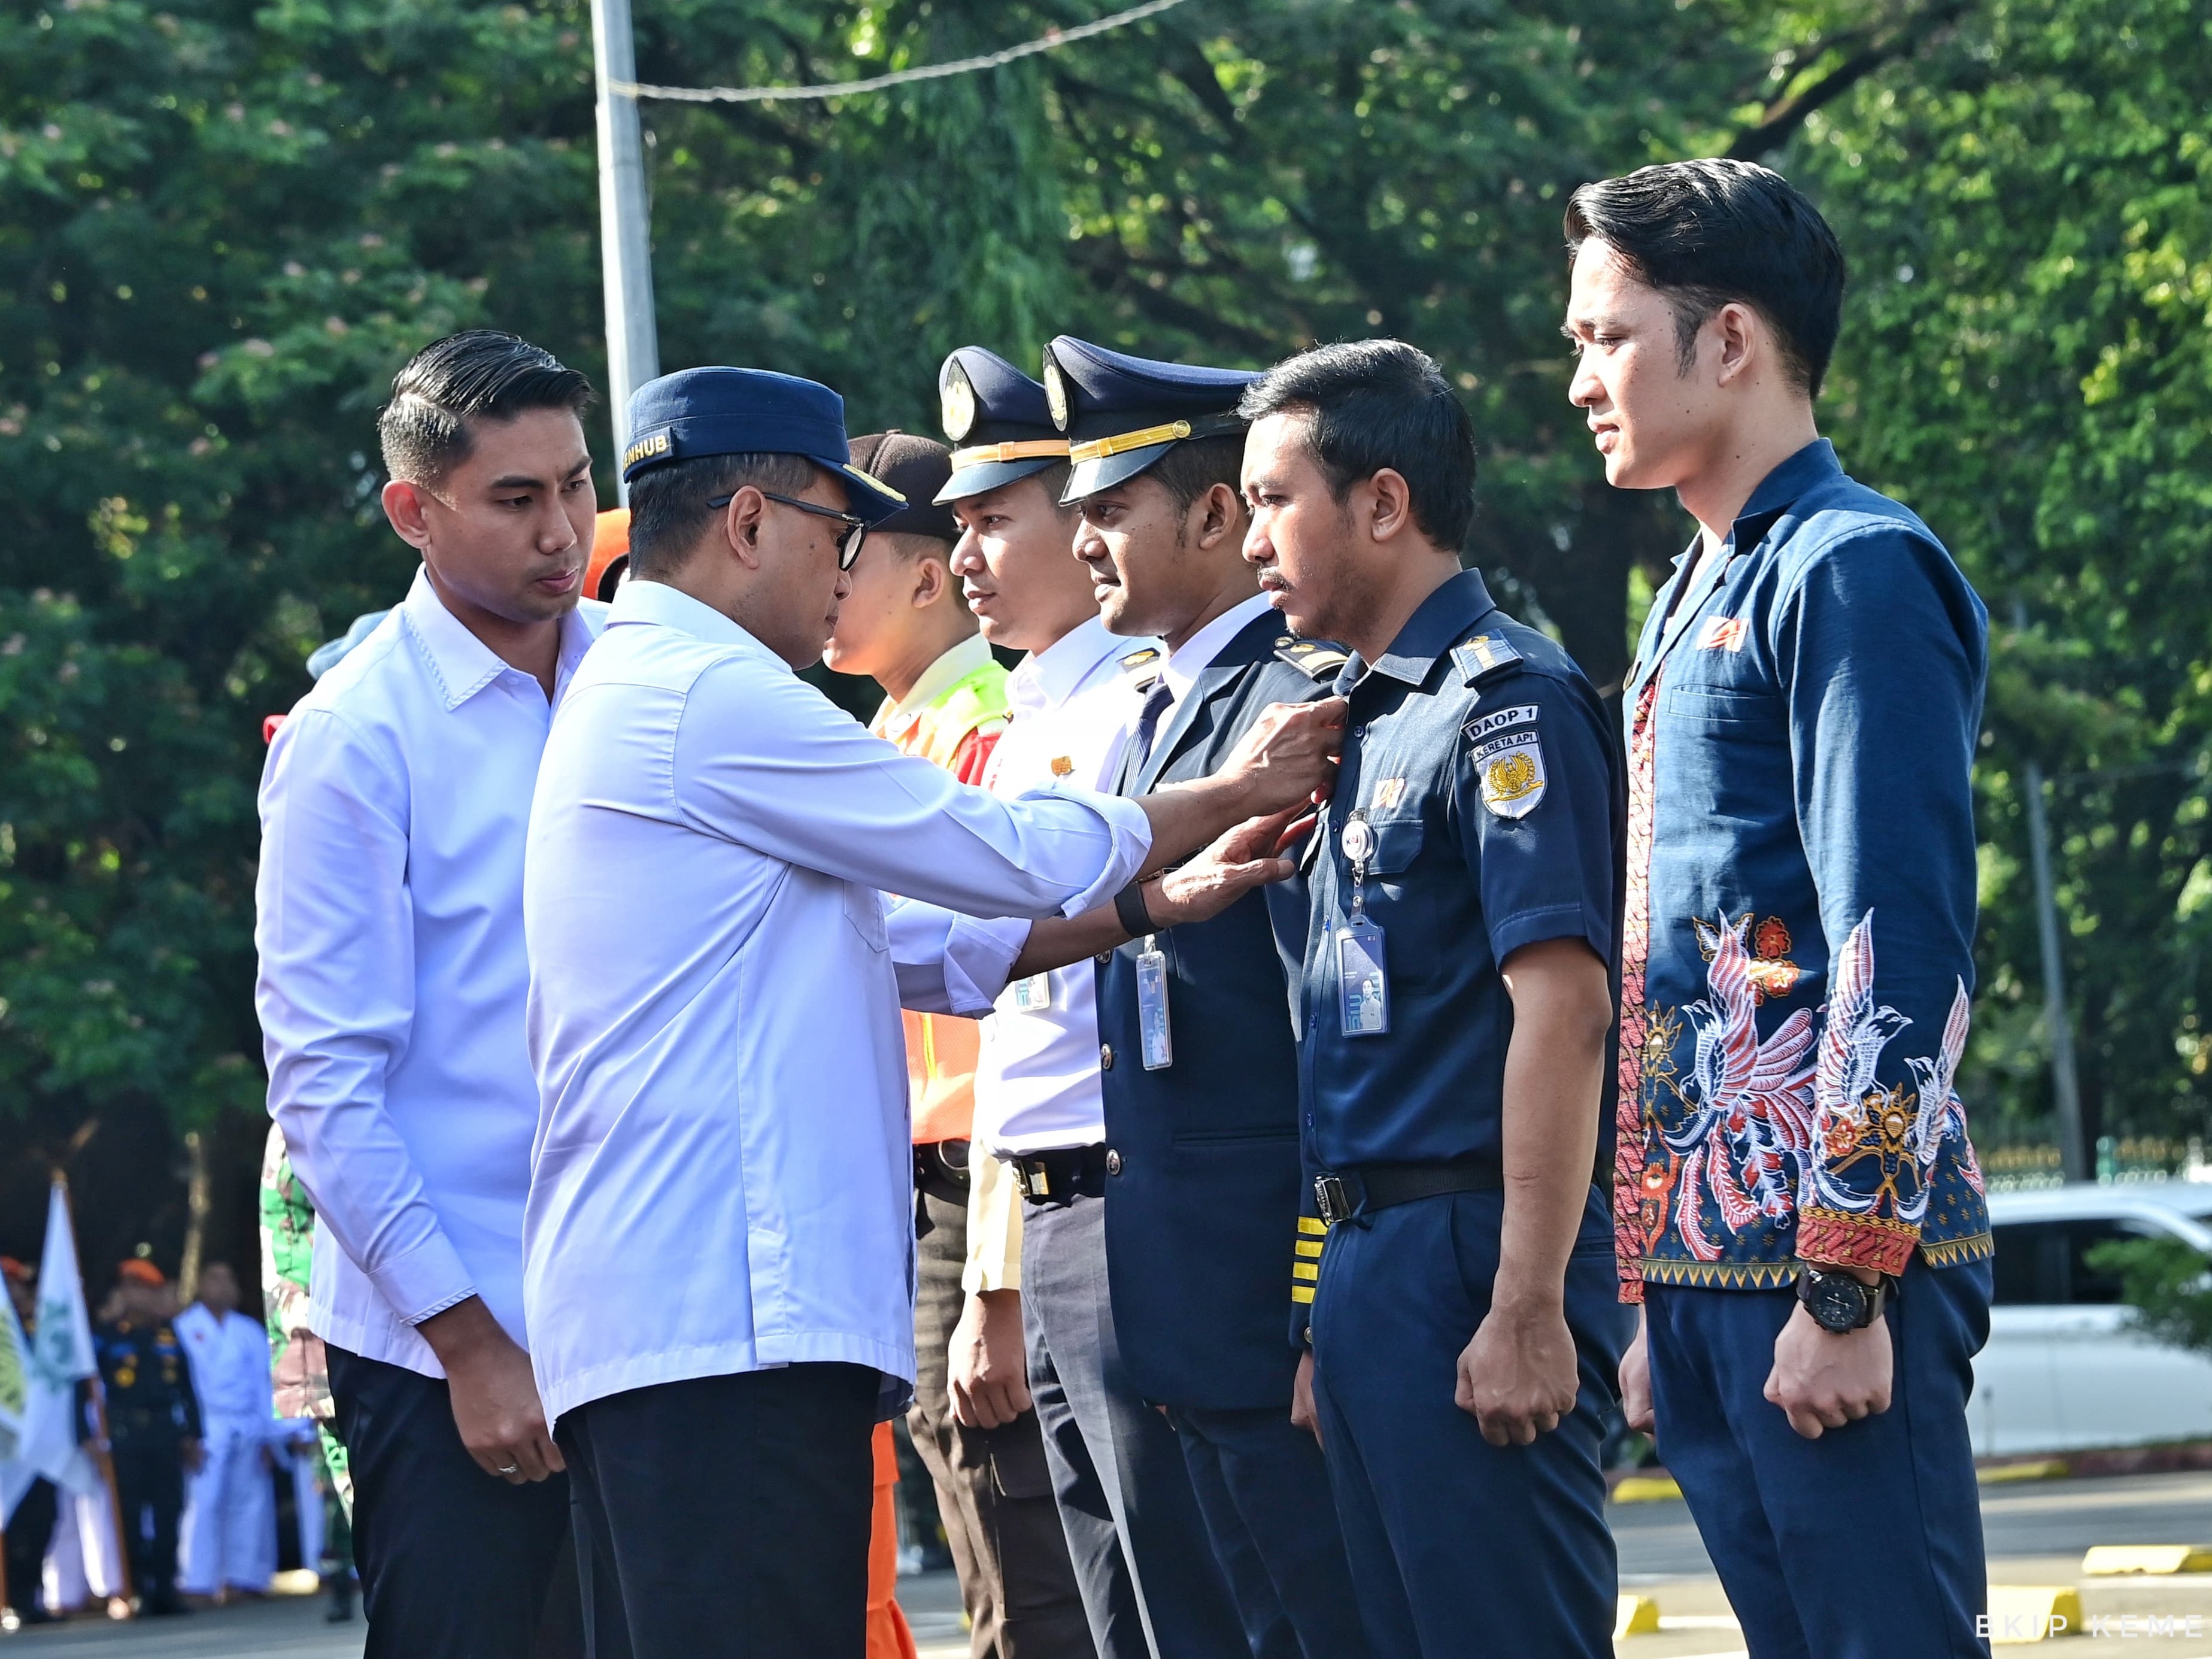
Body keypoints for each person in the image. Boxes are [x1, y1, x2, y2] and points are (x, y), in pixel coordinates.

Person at [521, 364, 1339, 1659]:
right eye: (832, 537)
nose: (846, 574)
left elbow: (908, 943)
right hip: (722, 1328)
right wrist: (1230, 790)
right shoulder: (709, 695)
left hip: (681, 1324)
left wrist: (1142, 906)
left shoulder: (642, 690)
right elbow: (995, 848)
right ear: (747, 523)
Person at [1564, 158, 1993, 1658]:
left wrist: (1843, 1274)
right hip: (1703, 1276)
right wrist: (1646, 1291)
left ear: (1728, 339)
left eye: (1604, 336)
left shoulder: (1850, 566)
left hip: (1825, 1271)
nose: (1578, 379)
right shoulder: (1698, 581)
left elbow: (1902, 941)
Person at [1239, 339, 1628, 1658]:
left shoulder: (1502, 703)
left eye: (1271, 498)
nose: (1249, 541)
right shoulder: (1354, 722)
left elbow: (1562, 1010)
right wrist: (1315, 1314)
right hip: (1368, 1265)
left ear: (1384, 502)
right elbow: (1335, 1056)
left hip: (1473, 1247)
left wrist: (1525, 1299)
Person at [255, 329, 605, 1658]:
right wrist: (470, 1344)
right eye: (515, 499)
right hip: (445, 1353)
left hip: (630, 1324)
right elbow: (326, 1085)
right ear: (415, 510)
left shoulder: (639, 683)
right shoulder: (357, 737)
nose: (561, 530)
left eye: (573, 483)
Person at [1035, 335, 1371, 1659]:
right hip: (1181, 1295)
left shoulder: (1288, 708)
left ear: (1218, 511)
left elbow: (1324, 1026)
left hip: (1260, 1291)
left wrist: (1307, 1297)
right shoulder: (1173, 713)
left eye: (1110, 510)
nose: (1084, 546)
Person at [826, 417, 1093, 1659]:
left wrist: (987, 1255)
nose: (822, 581)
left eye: (847, 550)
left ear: (919, 570)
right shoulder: (892, 732)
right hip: (934, 1173)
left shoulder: (992, 718)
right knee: (975, 1492)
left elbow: (1015, 1011)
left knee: (1016, 1526)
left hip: (984, 1165)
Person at [95, 1261, 204, 1616]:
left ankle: (165, 1587)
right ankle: (136, 1588)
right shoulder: (107, 1335)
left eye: (148, 1289)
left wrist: (194, 1434)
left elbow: (187, 1388)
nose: (142, 1296)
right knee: (129, 1514)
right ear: (123, 1292)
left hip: (164, 1434)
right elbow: (87, 1390)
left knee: (168, 1512)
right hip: (125, 1435)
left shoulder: (167, 1334)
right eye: (134, 1288)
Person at [174, 1262, 277, 1600]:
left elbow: (265, 1386)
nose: (224, 1287)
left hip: (248, 1424)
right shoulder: (184, 1328)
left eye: (229, 1279)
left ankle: (243, 1577)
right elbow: (182, 1387)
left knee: (249, 1502)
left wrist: (269, 1435)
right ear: (201, 1285)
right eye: (215, 1280)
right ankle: (198, 1581)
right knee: (204, 1502)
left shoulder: (248, 1330)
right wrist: (188, 1434)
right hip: (208, 1424)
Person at [2, 1257, 64, 1626]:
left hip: (38, 1443)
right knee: (9, 1523)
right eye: (7, 1285)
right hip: (4, 1446)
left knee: (41, 1519)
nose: (14, 1292)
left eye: (17, 1286)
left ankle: (29, 1595)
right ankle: (10, 1598)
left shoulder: (37, 1331)